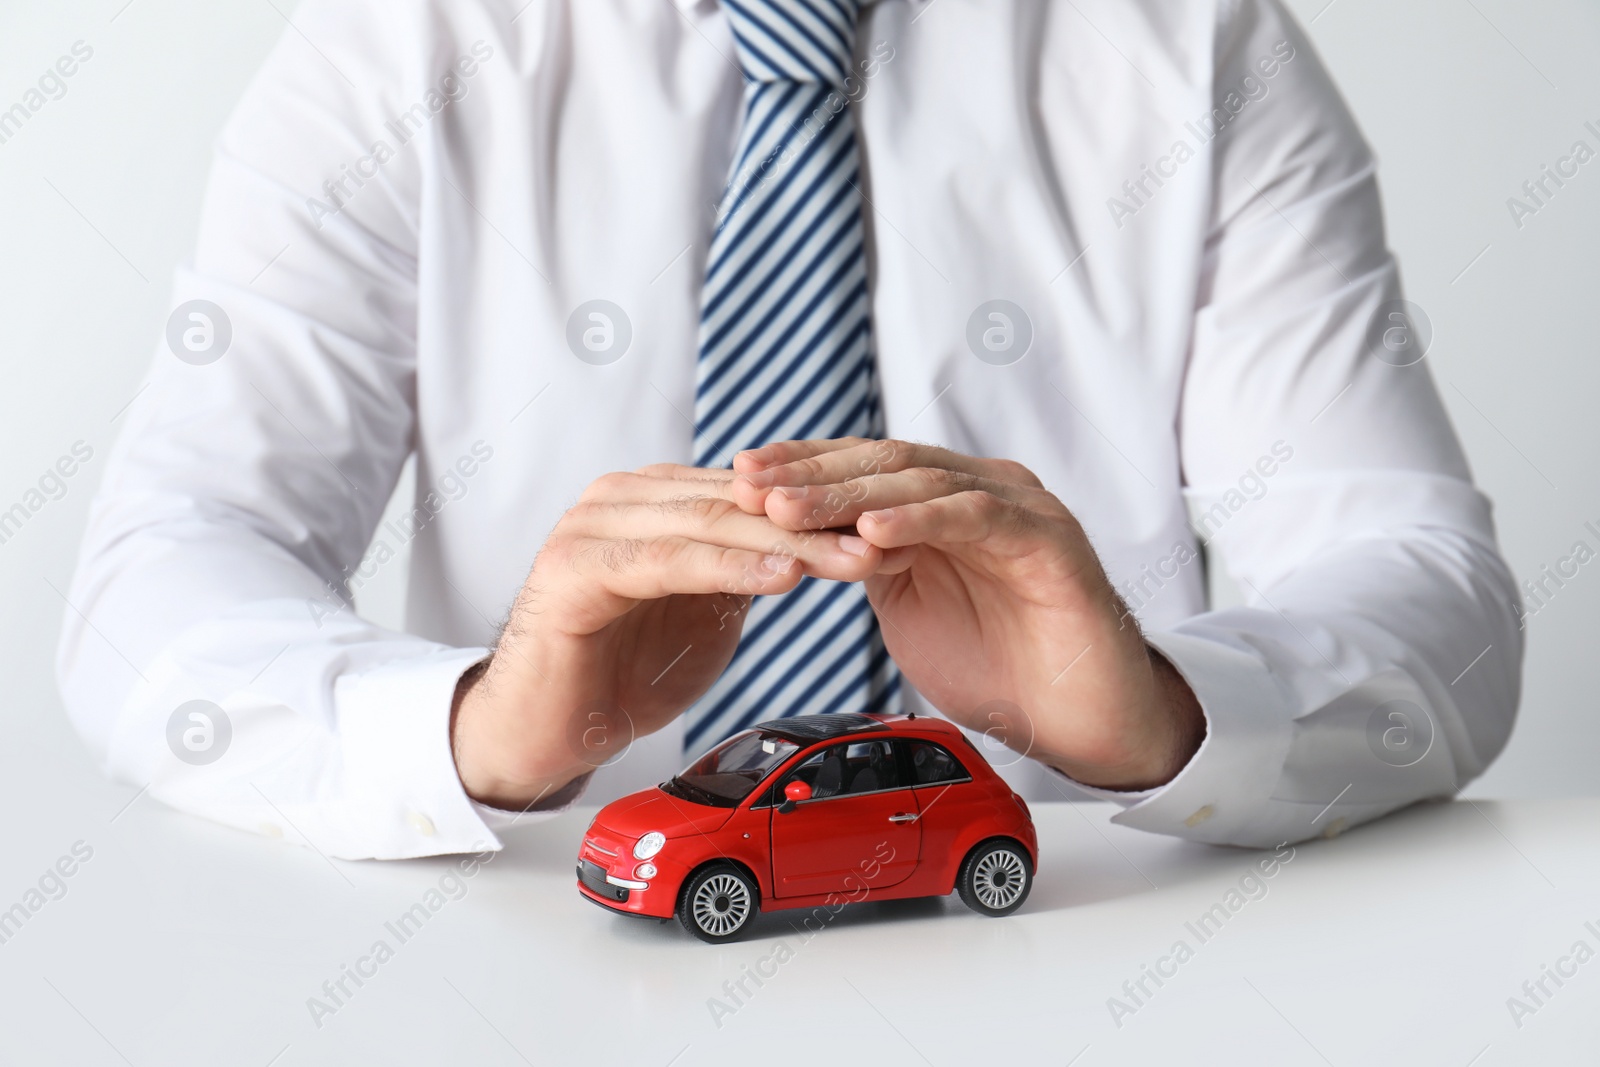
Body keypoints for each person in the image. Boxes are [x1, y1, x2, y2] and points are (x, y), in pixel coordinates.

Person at [57, 0, 1521, 861]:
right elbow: (165, 571)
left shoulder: (1193, 42)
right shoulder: (401, 47)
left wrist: (1161, 712)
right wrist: (476, 723)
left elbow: (1422, 580)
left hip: (1079, 944)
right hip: (554, 964)